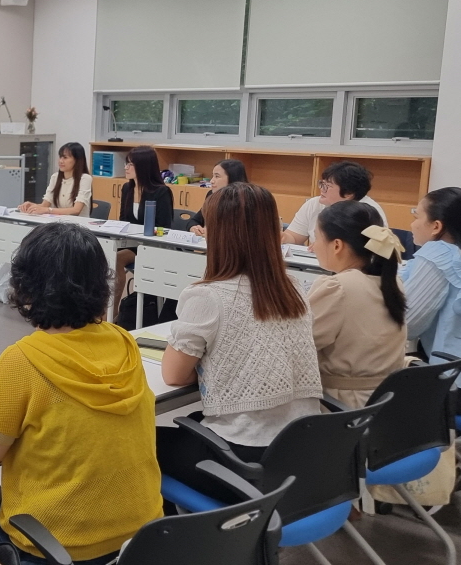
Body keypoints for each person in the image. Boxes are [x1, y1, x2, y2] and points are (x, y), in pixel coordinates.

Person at [0, 222, 162, 565]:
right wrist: (9, 376)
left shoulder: (23, 360)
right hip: (139, 539)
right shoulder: (124, 342)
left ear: (26, 287)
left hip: (59, 545)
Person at [159, 183, 321, 479]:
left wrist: (214, 366)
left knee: (140, 446)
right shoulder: (294, 288)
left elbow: (173, 375)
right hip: (301, 449)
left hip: (244, 457)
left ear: (219, 234)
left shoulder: (207, 296)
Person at [308, 201, 407, 409]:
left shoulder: (339, 287)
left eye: (316, 238)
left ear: (337, 245)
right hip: (386, 403)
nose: (313, 246)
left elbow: (298, 345)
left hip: (340, 407)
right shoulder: (392, 282)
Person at [402, 187, 461, 417]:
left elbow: (407, 325)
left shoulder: (439, 253)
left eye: (417, 216)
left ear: (436, 226)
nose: (412, 224)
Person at [114, 146, 174, 310]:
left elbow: (164, 227)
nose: (126, 168)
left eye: (130, 165)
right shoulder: (127, 188)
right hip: (131, 244)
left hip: (151, 246)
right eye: (126, 164)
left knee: (117, 259)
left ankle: (112, 313)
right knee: (105, 255)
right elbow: (123, 220)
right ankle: (106, 310)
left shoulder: (161, 192)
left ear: (144, 166)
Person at [283, 160, 388, 245]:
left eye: (327, 186)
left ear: (348, 193)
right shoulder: (314, 204)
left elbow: (370, 254)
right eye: (322, 183)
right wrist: (283, 237)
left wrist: (324, 248)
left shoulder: (369, 213)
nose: (321, 189)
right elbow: (294, 237)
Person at [19, 142, 93, 217]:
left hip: (78, 223)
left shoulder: (85, 178)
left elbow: (76, 210)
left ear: (77, 160)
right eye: (60, 157)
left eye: (65, 157)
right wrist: (32, 206)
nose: (61, 161)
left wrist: (48, 210)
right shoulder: (55, 177)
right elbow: (45, 205)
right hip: (58, 221)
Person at [188, 159, 247, 236]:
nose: (212, 181)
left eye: (217, 176)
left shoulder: (245, 201)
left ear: (232, 178)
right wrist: (194, 228)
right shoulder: (212, 195)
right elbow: (194, 220)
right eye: (213, 176)